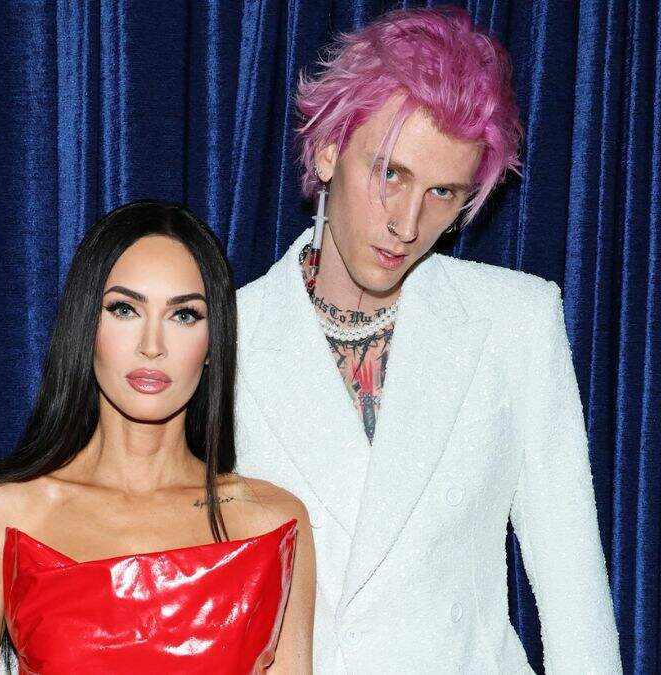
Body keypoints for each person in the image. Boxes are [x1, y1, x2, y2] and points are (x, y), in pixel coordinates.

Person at [234, 7, 621, 673]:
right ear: (328, 151)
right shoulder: (231, 336)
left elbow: (574, 592)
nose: (409, 223)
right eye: (390, 173)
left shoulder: (515, 322)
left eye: (443, 192)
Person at [0, 201, 316, 674]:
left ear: (213, 342)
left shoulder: (272, 523)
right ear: (85, 326)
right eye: (124, 309)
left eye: (184, 315)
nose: (151, 346)